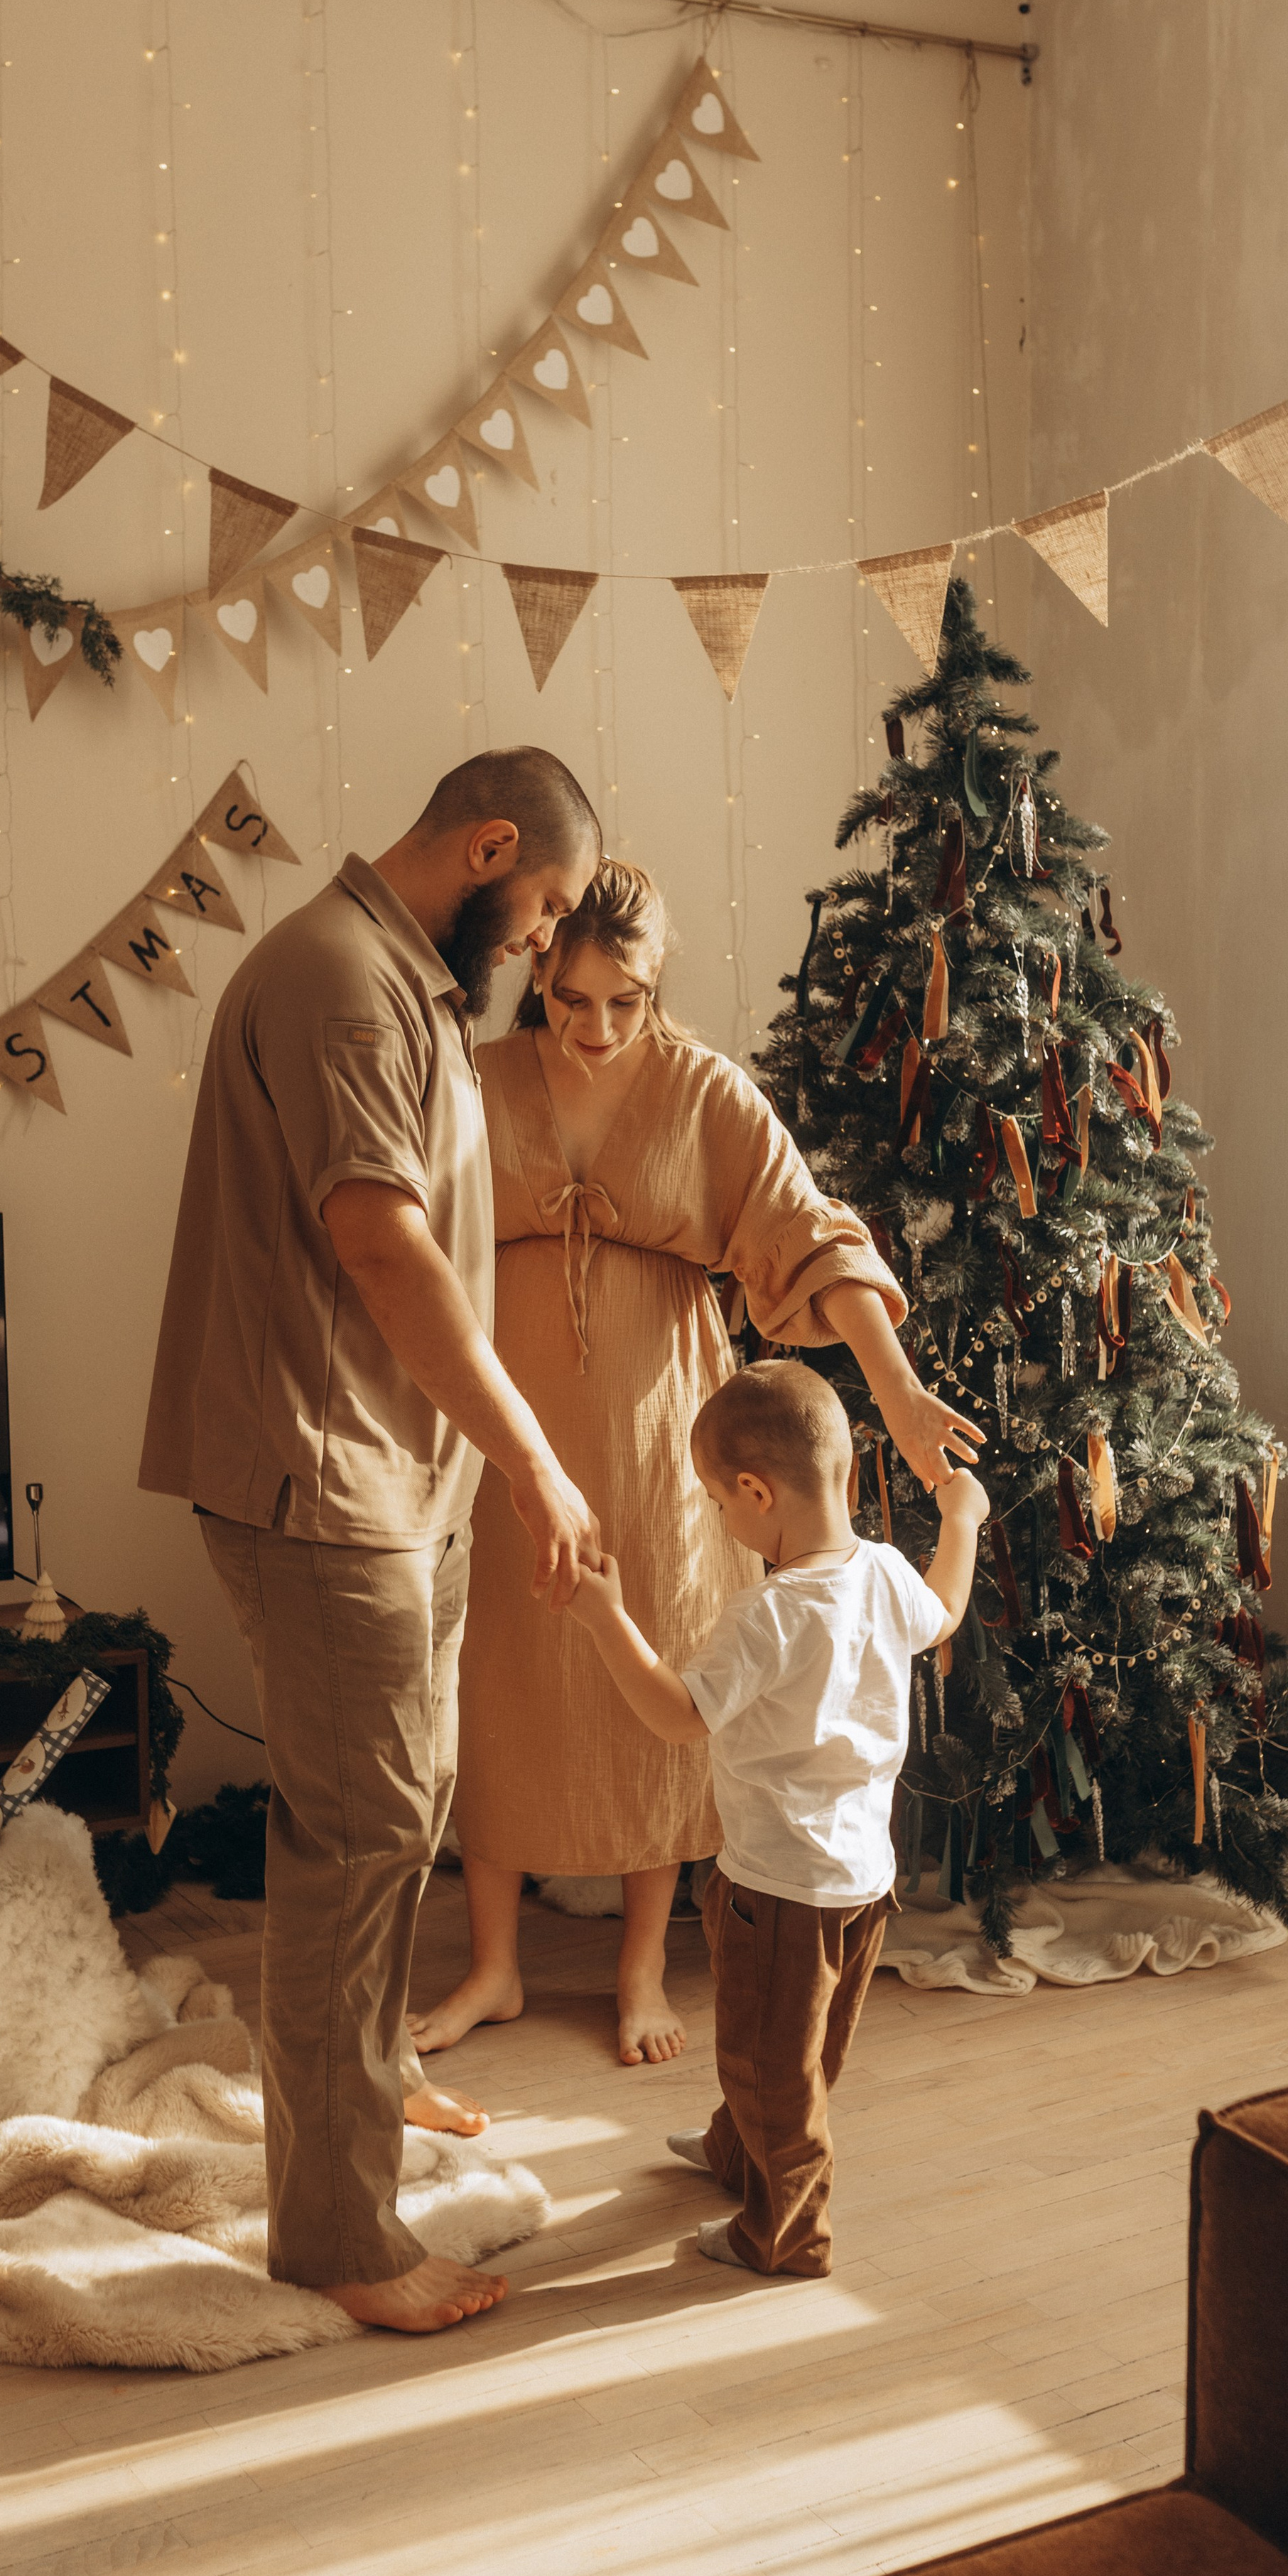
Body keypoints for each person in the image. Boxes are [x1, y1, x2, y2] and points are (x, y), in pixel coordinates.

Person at [139, 747, 604, 2335]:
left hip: (395, 1484)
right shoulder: (339, 981)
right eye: (539, 912)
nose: (541, 949)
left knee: (389, 1823)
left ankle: (362, 2082)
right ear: (484, 849)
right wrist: (532, 1454)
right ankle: (339, 2235)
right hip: (324, 1486)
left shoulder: (400, 982)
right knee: (352, 1844)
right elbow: (377, 1240)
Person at [408, 863, 979, 2072]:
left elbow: (804, 1227)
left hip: (664, 1419)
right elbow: (396, 1227)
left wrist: (898, 1386)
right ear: (537, 977)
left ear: (655, 992)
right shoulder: (480, 1076)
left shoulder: (704, 1091)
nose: (598, 1028)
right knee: (503, 1673)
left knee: (663, 1665)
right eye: (571, 999)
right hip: (509, 1422)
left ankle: (636, 1967)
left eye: (626, 1003)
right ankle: (495, 1963)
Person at [566, 1360, 988, 2276]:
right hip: (860, 1887)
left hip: (776, 1889)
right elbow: (945, 1611)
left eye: (719, 1503)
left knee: (771, 2070)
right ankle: (733, 2151)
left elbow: (678, 1713)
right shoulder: (880, 1572)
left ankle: (784, 2233)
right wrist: (962, 1518)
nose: (722, 1519)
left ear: (757, 1492)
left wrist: (606, 1619)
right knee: (801, 2051)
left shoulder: (766, 1614)